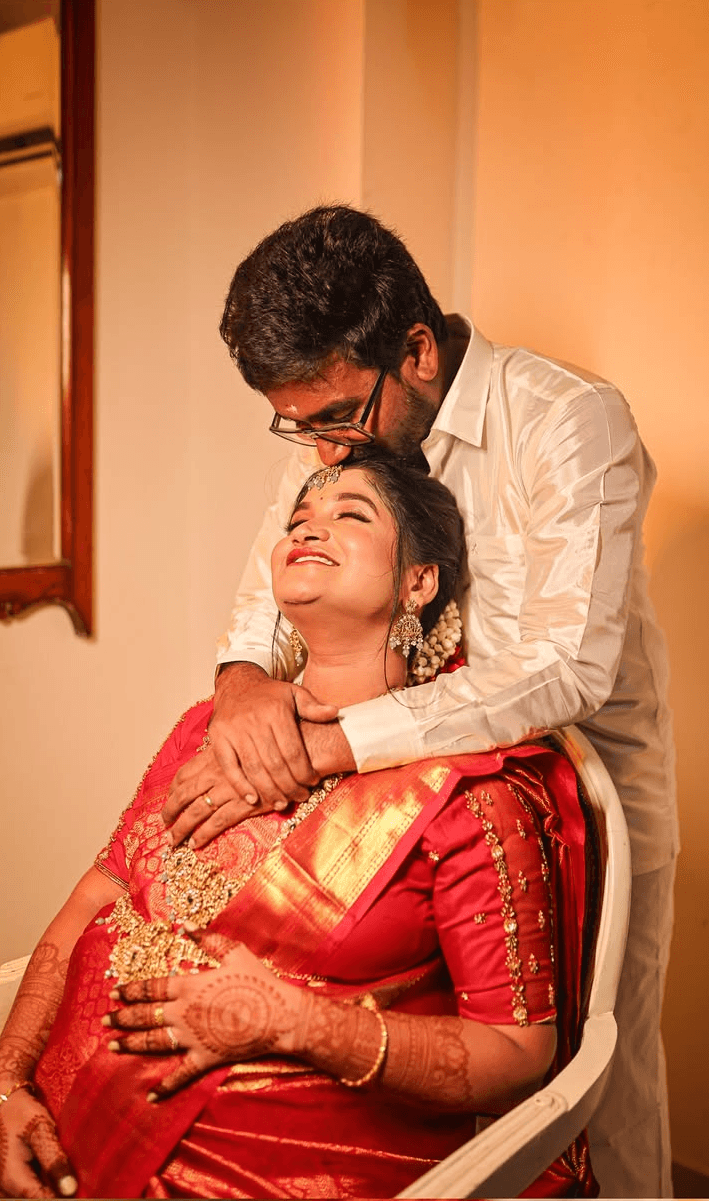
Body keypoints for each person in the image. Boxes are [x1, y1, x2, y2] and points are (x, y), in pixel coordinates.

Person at [164, 205, 679, 1199]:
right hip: (401, 807)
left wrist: (331, 744)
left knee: (596, 1077)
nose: (320, 454)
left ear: (417, 351)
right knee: (400, 1061)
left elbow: (564, 667)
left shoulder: (570, 418)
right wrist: (242, 692)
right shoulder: (341, 429)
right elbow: (257, 612)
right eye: (297, 425)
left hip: (587, 796)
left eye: (334, 417)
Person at [0, 457, 598, 1200]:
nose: (309, 527)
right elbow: (97, 897)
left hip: (267, 1167)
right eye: (298, 519)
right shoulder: (207, 731)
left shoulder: (471, 794)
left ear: (418, 582)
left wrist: (296, 1022)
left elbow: (517, 1053)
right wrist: (6, 1084)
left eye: (352, 513)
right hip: (52, 1132)